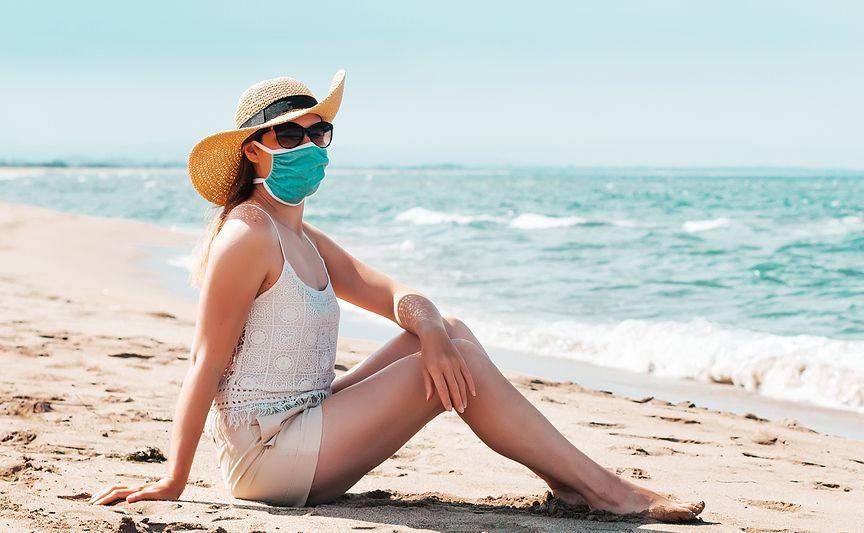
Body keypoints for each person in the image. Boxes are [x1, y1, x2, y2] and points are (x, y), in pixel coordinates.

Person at [89, 70, 705, 522]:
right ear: (255, 150)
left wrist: (431, 330)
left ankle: (573, 484)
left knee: (449, 333)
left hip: (310, 418)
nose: (310, 147)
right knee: (447, 368)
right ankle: (605, 491)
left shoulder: (300, 235)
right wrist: (173, 479)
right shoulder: (247, 237)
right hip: (268, 455)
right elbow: (205, 361)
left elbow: (396, 294)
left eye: (319, 132)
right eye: (290, 137)